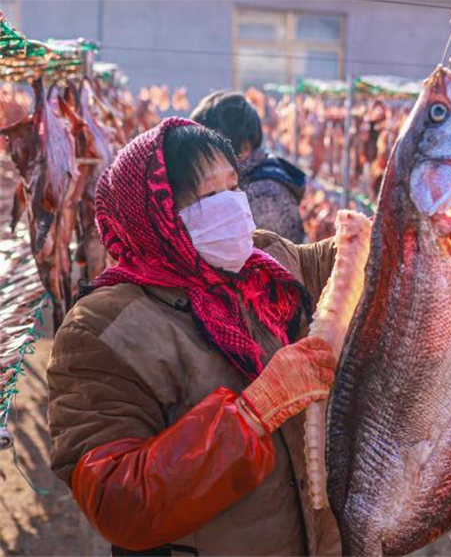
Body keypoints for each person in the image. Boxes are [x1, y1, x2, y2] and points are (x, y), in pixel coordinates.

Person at [47, 118, 341, 555]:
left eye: (233, 186)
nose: (234, 205)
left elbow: (344, 261)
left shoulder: (262, 267)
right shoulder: (101, 329)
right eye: (209, 195)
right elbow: (117, 501)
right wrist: (255, 412)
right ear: (155, 212)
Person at [190, 91, 307, 243]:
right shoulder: (246, 181)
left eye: (212, 147)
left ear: (244, 147)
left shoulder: (265, 195)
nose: (204, 158)